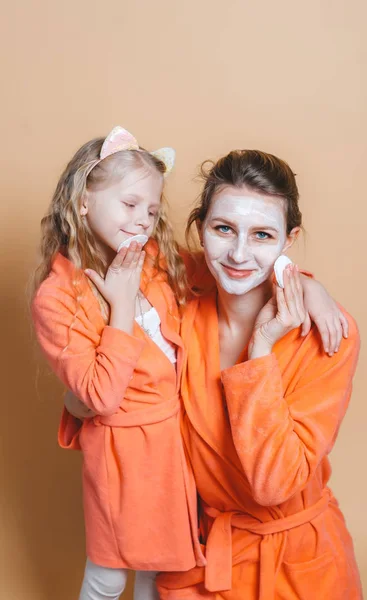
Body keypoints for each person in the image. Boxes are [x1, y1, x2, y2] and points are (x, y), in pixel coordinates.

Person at [157, 149, 362, 599]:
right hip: (201, 561)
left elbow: (275, 483)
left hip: (298, 570)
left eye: (263, 235)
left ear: (290, 240)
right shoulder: (175, 304)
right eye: (223, 228)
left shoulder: (328, 335)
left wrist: (261, 350)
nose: (239, 253)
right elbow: (97, 246)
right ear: (200, 229)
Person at [31, 126, 205, 600]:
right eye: (129, 205)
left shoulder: (153, 259)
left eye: (150, 210)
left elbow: (232, 269)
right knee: (109, 575)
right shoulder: (57, 297)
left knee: (159, 573)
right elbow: (100, 395)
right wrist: (122, 308)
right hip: (123, 457)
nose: (142, 221)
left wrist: (305, 284)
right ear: (83, 201)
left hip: (174, 446)